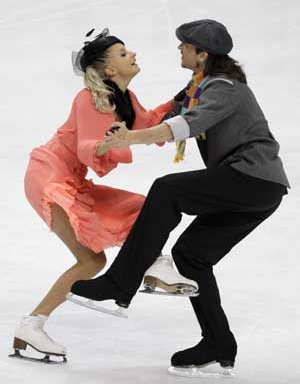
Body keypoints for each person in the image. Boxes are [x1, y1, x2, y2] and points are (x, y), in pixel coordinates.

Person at [69, 20, 290, 375]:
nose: (180, 49)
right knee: (191, 257)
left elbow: (186, 125)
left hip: (252, 178)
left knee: (168, 190)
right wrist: (115, 122)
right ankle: (218, 341)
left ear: (202, 54)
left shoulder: (224, 87)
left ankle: (119, 284)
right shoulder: (198, 86)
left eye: (185, 45)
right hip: (258, 188)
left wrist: (131, 140)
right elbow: (161, 119)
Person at [11, 28, 197, 363]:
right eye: (124, 54)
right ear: (109, 70)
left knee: (142, 208)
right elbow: (85, 149)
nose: (133, 55)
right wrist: (105, 144)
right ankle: (32, 325)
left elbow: (151, 121)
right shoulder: (89, 99)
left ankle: (153, 263)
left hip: (70, 178)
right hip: (49, 175)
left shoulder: (126, 98)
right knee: (92, 260)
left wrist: (184, 96)